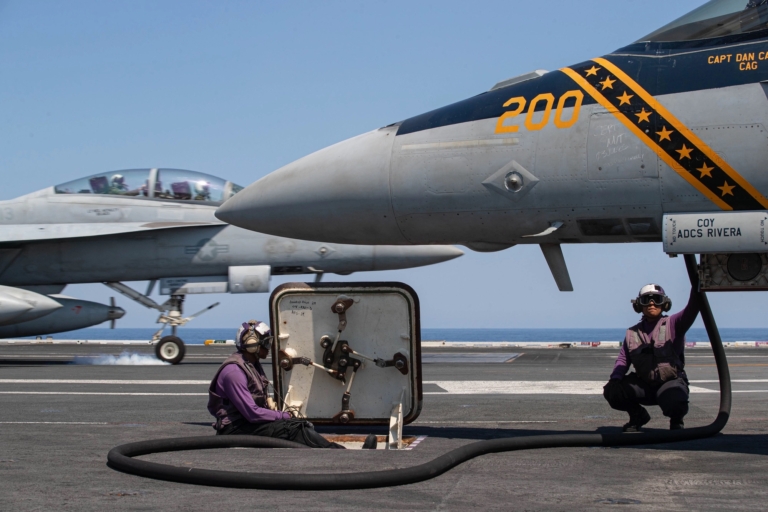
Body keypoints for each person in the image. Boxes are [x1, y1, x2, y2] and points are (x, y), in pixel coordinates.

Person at [208, 319, 367, 448]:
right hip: (235, 429)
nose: (269, 348)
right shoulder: (233, 373)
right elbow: (252, 413)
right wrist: (283, 415)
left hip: (246, 423)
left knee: (297, 425)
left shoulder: (251, 364)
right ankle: (338, 453)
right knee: (291, 428)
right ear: (252, 345)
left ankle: (332, 449)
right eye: (266, 343)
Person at [603, 284, 701, 432]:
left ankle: (676, 420)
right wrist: (615, 379)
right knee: (612, 390)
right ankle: (638, 416)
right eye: (646, 300)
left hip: (669, 383)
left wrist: (697, 284)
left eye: (656, 299)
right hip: (644, 386)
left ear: (665, 303)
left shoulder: (674, 324)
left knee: (675, 400)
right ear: (638, 305)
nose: (651, 303)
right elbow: (623, 359)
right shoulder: (632, 333)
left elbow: (692, 308)